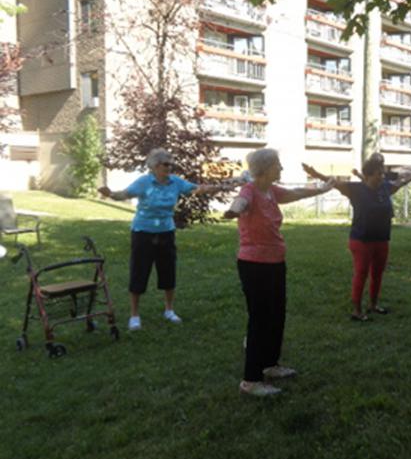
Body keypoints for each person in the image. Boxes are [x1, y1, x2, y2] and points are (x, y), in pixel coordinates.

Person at [224, 149, 335, 397]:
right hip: (254, 265)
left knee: (276, 315)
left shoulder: (272, 191)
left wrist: (322, 189)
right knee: (259, 320)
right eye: (277, 165)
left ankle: (270, 365)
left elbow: (297, 193)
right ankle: (251, 381)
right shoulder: (250, 191)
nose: (281, 168)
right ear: (264, 168)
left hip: (275, 262)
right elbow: (241, 203)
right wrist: (234, 211)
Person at [98, 148, 226, 332]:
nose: (169, 167)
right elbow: (124, 195)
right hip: (143, 232)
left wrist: (212, 188)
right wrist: (109, 193)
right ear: (155, 166)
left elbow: (195, 189)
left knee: (168, 270)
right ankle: (134, 315)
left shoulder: (175, 182)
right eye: (166, 164)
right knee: (139, 272)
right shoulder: (144, 182)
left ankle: (169, 310)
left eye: (171, 164)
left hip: (166, 231)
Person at [304, 157, 411, 321]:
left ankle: (373, 305)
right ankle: (356, 310)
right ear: (368, 175)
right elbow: (332, 181)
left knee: (378, 273)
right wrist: (314, 173)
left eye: (382, 173)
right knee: (361, 273)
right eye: (379, 173)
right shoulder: (355, 189)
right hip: (361, 240)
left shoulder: (385, 188)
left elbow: (401, 182)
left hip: (382, 239)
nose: (382, 176)